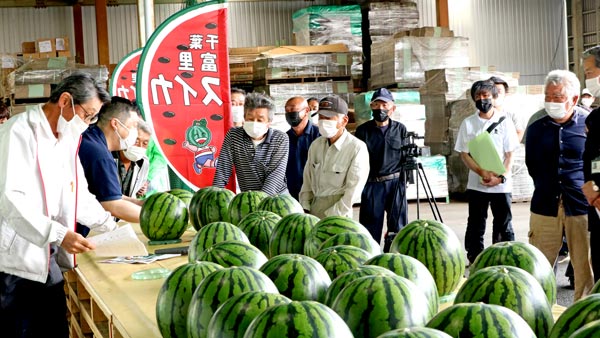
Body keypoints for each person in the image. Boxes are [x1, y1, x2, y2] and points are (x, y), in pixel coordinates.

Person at [0, 73, 118, 337]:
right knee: (19, 329)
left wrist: (110, 226)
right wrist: (59, 234)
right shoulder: (19, 132)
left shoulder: (66, 139)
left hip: (47, 255)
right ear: (66, 101)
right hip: (13, 261)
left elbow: (78, 194)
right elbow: (11, 198)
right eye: (88, 115)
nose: (88, 124)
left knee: (54, 328)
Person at [525, 69, 594, 301]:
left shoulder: (589, 125)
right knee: (539, 264)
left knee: (585, 265)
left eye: (558, 96)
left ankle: (581, 314)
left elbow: (595, 162)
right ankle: (541, 309)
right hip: (544, 204)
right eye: (548, 96)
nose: (551, 101)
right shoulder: (536, 127)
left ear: (574, 99)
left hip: (581, 204)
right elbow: (531, 164)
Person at [454, 80, 520, 264]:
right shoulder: (468, 123)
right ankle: (475, 257)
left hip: (501, 185)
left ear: (493, 97)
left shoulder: (505, 122)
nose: (482, 99)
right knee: (476, 222)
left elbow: (510, 154)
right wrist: (481, 171)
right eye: (478, 97)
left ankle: (503, 258)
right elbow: (464, 154)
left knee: (503, 223)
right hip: (477, 184)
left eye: (486, 96)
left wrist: (500, 178)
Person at [300, 95, 370, 219]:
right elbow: (307, 182)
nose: (323, 121)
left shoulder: (356, 148)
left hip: (340, 213)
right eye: (321, 117)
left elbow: (353, 192)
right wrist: (305, 208)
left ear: (344, 120)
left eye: (329, 117)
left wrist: (332, 216)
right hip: (314, 209)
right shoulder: (316, 145)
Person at [355, 88, 408, 245]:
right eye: (376, 104)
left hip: (395, 183)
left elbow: (405, 158)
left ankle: (395, 256)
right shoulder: (362, 131)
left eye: (384, 105)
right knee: (370, 228)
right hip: (372, 184)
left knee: (398, 227)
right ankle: (371, 259)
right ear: (371, 107)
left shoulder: (400, 129)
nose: (380, 109)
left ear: (392, 108)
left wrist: (404, 184)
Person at [79, 96, 143, 224]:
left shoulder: (89, 138)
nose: (136, 134)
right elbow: (112, 205)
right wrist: (157, 217)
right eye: (133, 126)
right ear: (115, 124)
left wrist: (139, 203)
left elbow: (109, 194)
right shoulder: (99, 154)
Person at [213, 92, 289, 195]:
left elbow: (275, 175)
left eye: (260, 120)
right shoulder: (234, 136)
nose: (254, 123)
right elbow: (223, 170)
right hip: (247, 198)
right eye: (250, 119)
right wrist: (214, 196)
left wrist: (260, 201)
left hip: (277, 198)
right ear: (244, 118)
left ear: (269, 121)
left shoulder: (280, 139)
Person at [580, 45, 600, 283]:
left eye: (589, 72)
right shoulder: (595, 118)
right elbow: (591, 156)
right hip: (595, 203)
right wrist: (590, 186)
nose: (587, 79)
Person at [284, 96, 320, 200]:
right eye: (287, 110)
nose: (290, 113)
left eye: (293, 109)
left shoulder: (320, 136)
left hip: (315, 195)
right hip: (290, 197)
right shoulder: (283, 139)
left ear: (307, 111)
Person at [113, 119, 152, 199]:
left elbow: (136, 192)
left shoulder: (144, 163)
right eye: (136, 141)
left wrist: (141, 189)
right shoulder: (108, 157)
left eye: (145, 143)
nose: (140, 146)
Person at [489, 76, 525, 142]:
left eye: (499, 91)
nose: (495, 94)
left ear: (505, 94)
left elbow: (520, 132)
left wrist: (511, 145)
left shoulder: (511, 113)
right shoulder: (481, 114)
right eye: (492, 91)